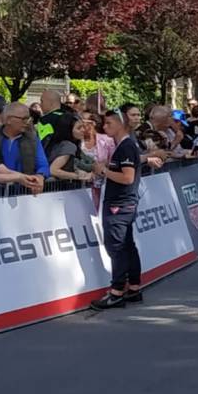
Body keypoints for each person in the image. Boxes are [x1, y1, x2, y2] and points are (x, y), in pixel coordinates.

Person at [90, 110, 145, 310]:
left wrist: (104, 171)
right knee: (127, 245)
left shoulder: (126, 146)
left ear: (121, 124)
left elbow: (127, 177)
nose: (105, 127)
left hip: (119, 204)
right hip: (123, 203)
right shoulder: (124, 146)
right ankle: (134, 287)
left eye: (108, 123)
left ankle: (117, 291)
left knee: (117, 247)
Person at [0, 102, 49, 194]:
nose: (27, 122)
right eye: (23, 119)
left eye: (28, 118)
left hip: (23, 194)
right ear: (8, 119)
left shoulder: (32, 139)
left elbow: (43, 165)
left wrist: (40, 177)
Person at [47, 115, 94, 186]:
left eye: (83, 127)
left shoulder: (61, 143)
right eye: (79, 128)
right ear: (68, 130)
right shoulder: (69, 146)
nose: (83, 130)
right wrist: (78, 176)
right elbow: (53, 170)